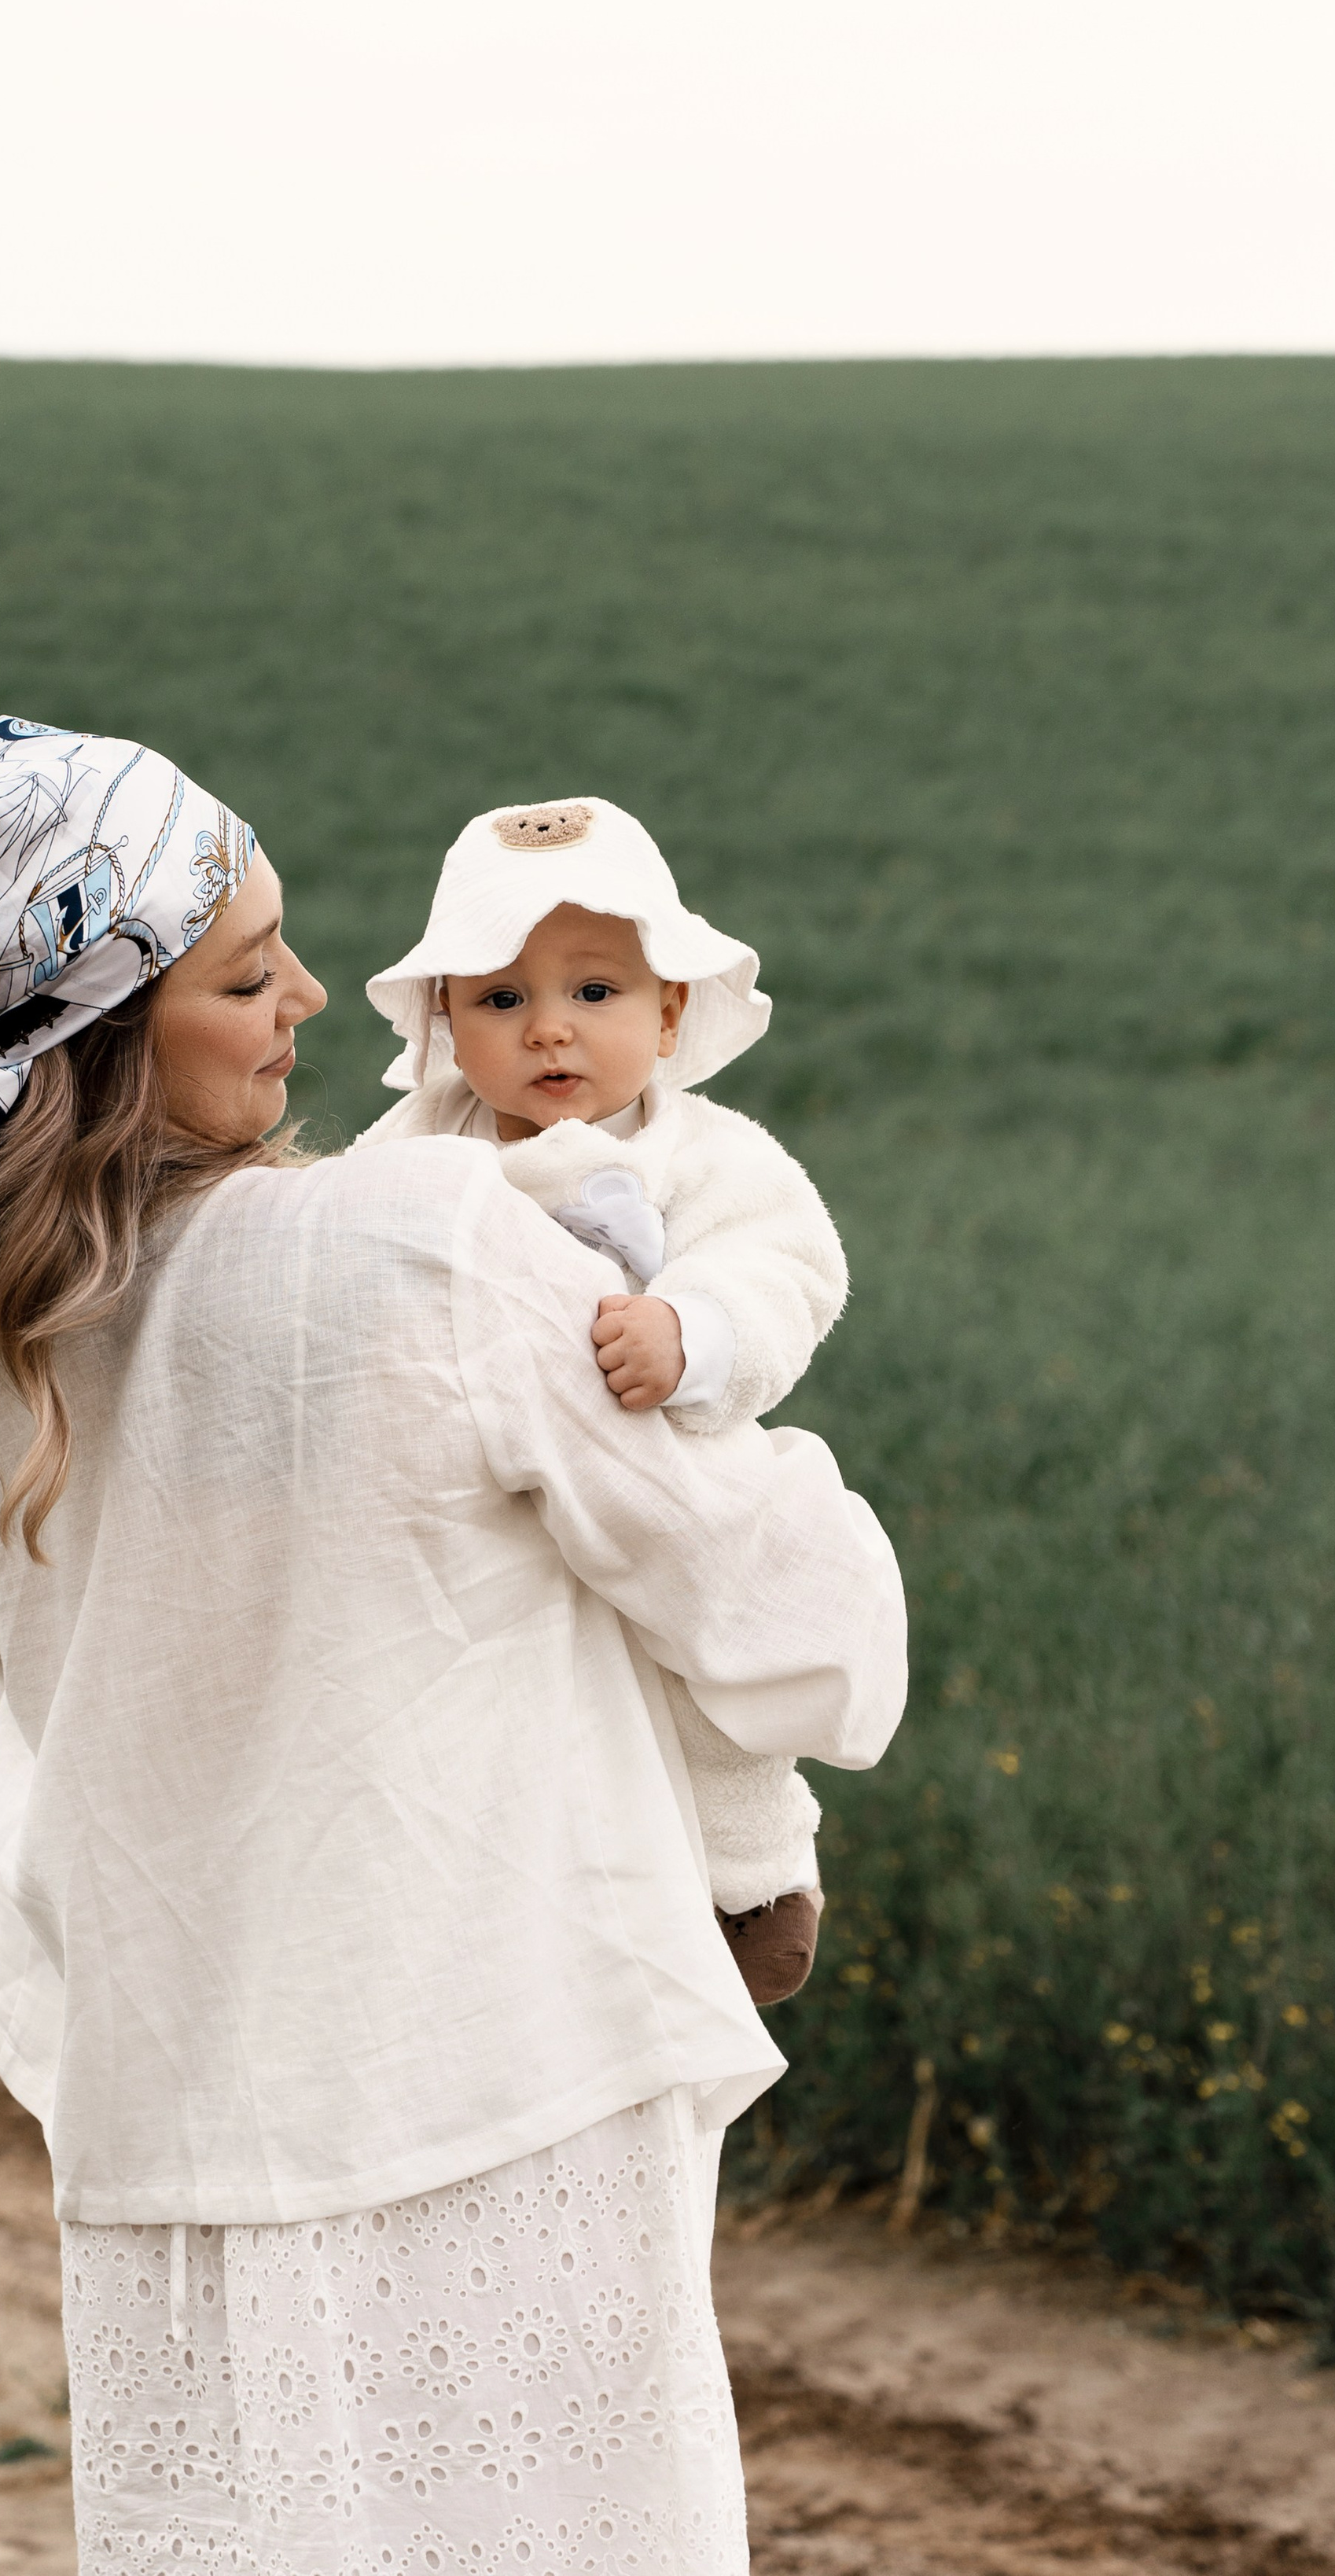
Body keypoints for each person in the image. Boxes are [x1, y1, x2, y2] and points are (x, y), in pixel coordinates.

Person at [0, 718, 908, 2576]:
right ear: (112, 1033)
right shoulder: (433, 1243)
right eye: (246, 970)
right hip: (493, 2076)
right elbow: (797, 1624)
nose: (310, 993)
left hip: (174, 2113)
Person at [356, 795, 850, 2003]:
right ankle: (456, 1890)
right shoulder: (416, 1149)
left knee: (711, 1664)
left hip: (662, 1465)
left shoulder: (711, 1155)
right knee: (450, 1686)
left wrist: (696, 1332)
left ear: (670, 1007)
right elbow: (346, 1265)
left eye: (593, 993)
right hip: (483, 1492)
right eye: (502, 999)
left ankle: (754, 1872)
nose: (549, 1035)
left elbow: (787, 1266)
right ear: (444, 1020)